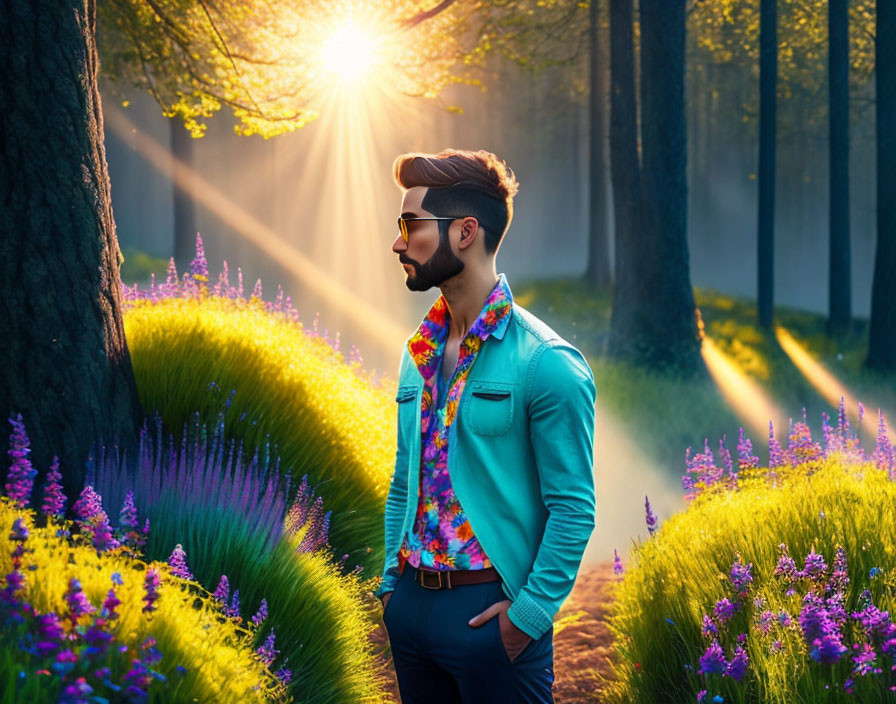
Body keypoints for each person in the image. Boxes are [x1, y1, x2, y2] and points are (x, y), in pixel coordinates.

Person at [374, 148, 597, 703]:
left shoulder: (547, 364)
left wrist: (526, 618)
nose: (399, 242)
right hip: (411, 610)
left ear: (465, 232)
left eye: (412, 225)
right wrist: (390, 590)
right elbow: (406, 480)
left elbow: (573, 508)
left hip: (490, 618)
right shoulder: (417, 353)